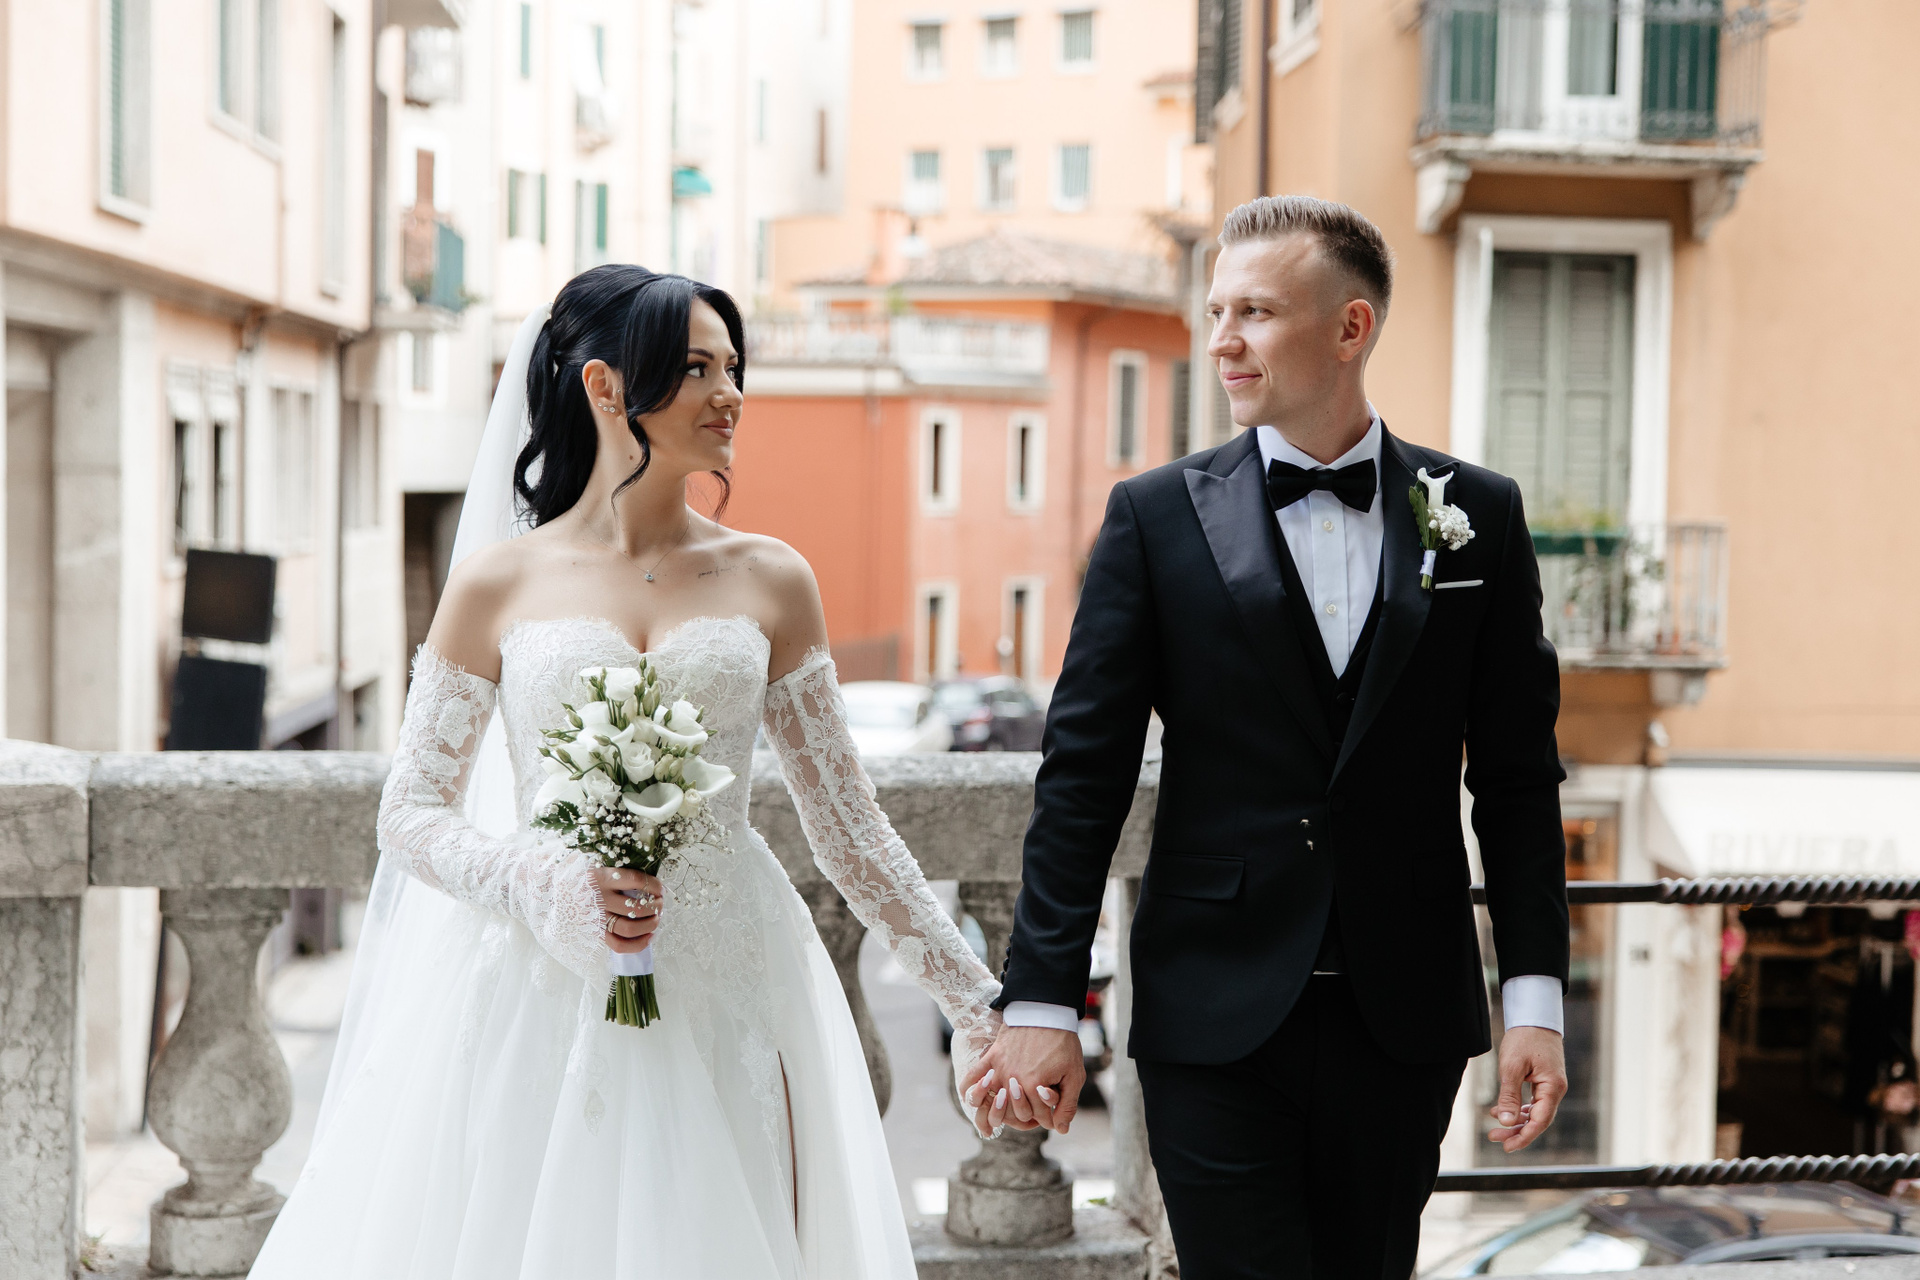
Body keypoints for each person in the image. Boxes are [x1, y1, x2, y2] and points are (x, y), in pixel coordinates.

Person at [249, 265, 1003, 1278]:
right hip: (539, 988)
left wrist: (979, 1007)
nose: (729, 393)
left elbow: (850, 829)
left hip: (729, 980)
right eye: (695, 369)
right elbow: (411, 812)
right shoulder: (494, 583)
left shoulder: (774, 578)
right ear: (604, 387)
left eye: (733, 367)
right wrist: (539, 878)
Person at [965, 196, 1572, 1278]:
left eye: (1254, 311)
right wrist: (1042, 997)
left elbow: (1519, 781)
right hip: (1213, 1012)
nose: (1222, 342)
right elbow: (1084, 776)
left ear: (1350, 327)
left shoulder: (1478, 514)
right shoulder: (1153, 517)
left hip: (1404, 1015)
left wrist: (1534, 1000)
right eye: (1216, 312)